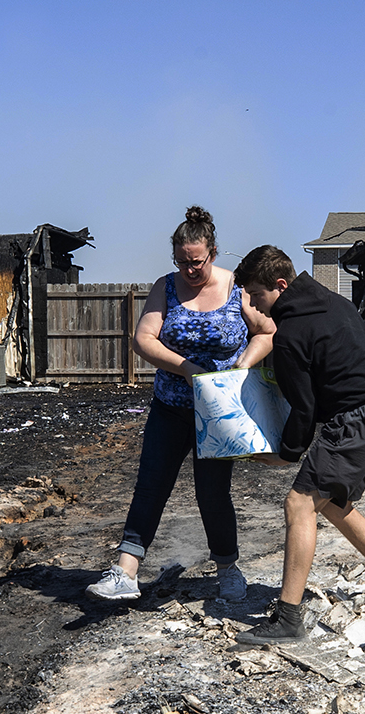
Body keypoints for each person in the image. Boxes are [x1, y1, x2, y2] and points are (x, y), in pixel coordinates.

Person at [228, 246, 365, 645]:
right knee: (328, 499)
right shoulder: (330, 301)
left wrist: (286, 454)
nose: (253, 304)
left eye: (257, 295)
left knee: (298, 503)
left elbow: (304, 407)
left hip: (356, 417)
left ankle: (288, 619)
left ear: (280, 286)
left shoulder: (291, 332)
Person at [87, 206, 275, 602]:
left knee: (213, 493)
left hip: (218, 413)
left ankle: (227, 568)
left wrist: (242, 365)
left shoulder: (235, 288)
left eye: (197, 262)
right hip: (170, 407)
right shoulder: (165, 288)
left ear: (214, 252)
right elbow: (144, 339)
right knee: (151, 485)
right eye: (182, 262)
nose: (190, 270)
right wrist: (188, 369)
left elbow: (267, 332)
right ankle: (125, 572)